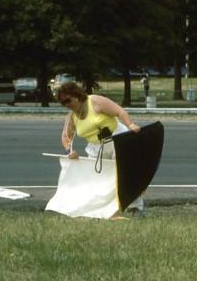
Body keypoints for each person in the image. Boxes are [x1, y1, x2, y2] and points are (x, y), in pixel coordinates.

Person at [55, 81, 144, 216]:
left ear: (77, 96)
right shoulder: (72, 117)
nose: (66, 105)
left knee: (124, 174)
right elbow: (66, 136)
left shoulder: (95, 102)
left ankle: (135, 208)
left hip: (117, 138)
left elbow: (119, 111)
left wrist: (130, 124)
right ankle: (105, 212)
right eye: (63, 103)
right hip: (96, 147)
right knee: (99, 180)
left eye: (68, 100)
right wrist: (69, 150)